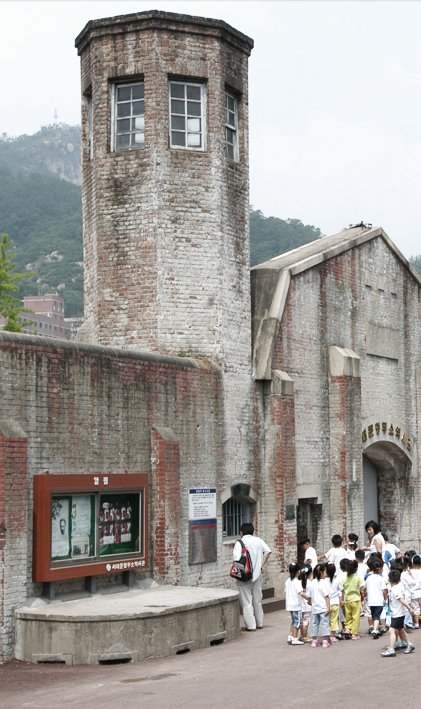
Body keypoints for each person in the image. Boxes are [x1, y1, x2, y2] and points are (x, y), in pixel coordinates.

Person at [232, 522, 271, 631]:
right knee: (257, 600)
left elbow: (236, 559)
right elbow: (267, 551)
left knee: (246, 601)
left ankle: (251, 626)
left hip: (244, 576)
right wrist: (262, 565)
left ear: (241, 533)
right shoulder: (258, 540)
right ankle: (259, 623)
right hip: (257, 575)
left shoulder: (240, 543)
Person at [381, 569, 415, 657]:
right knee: (400, 630)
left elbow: (401, 599)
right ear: (399, 579)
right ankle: (409, 644)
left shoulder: (395, 589)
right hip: (400, 612)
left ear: (389, 579)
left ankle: (391, 649)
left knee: (391, 630)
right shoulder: (399, 586)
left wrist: (409, 608)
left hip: (397, 613)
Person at [306, 563, 331, 648]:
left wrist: (310, 603)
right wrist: (328, 607)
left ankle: (314, 640)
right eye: (325, 572)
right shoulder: (322, 583)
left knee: (315, 624)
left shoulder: (312, 583)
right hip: (323, 608)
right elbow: (326, 596)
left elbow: (309, 596)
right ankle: (324, 641)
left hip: (315, 608)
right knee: (325, 624)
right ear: (321, 573)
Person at [363, 560, 387, 639]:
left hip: (370, 601)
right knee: (377, 616)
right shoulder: (381, 579)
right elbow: (384, 590)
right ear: (379, 568)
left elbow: (364, 589)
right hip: (378, 601)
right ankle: (375, 630)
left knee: (374, 616)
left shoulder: (368, 578)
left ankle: (376, 627)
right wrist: (385, 597)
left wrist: (365, 595)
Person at [340, 559, 364, 640]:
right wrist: (363, 593)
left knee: (348, 616)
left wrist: (342, 599)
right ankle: (354, 633)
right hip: (356, 599)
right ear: (356, 568)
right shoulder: (357, 578)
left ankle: (347, 629)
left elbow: (342, 590)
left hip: (347, 600)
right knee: (355, 617)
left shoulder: (345, 579)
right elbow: (362, 588)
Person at [285, 562, 306, 645]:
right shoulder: (297, 582)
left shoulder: (288, 581)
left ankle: (291, 636)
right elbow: (301, 593)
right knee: (298, 622)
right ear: (298, 572)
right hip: (296, 605)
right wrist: (309, 599)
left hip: (290, 604)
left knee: (294, 621)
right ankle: (294, 638)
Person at [326, 561, 341, 644]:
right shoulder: (336, 581)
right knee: (334, 620)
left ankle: (327, 635)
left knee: (327, 620)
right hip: (335, 603)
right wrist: (341, 599)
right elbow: (342, 589)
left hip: (326, 604)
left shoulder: (323, 581)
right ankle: (333, 636)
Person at [299, 565, 313, 643]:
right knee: (306, 621)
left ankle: (302, 635)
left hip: (300, 604)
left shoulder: (299, 582)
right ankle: (304, 636)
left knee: (302, 621)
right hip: (307, 605)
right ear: (310, 573)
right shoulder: (310, 583)